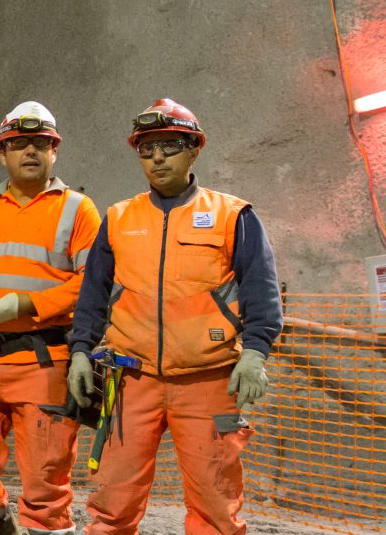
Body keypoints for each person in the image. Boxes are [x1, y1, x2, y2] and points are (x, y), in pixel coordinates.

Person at [68, 98, 281, 534]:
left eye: (169, 145)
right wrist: (79, 351)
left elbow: (261, 289)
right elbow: (92, 294)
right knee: (112, 503)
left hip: (209, 381)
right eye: (146, 149)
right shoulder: (119, 218)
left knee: (215, 508)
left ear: (194, 148)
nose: (157, 157)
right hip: (131, 381)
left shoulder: (232, 215)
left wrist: (255, 353)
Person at [0, 102, 101, 535]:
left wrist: (24, 305)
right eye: (18, 143)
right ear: (1, 153)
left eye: (40, 143)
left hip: (44, 359)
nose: (30, 151)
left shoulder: (78, 209)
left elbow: (94, 285)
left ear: (54, 151)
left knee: (46, 485)